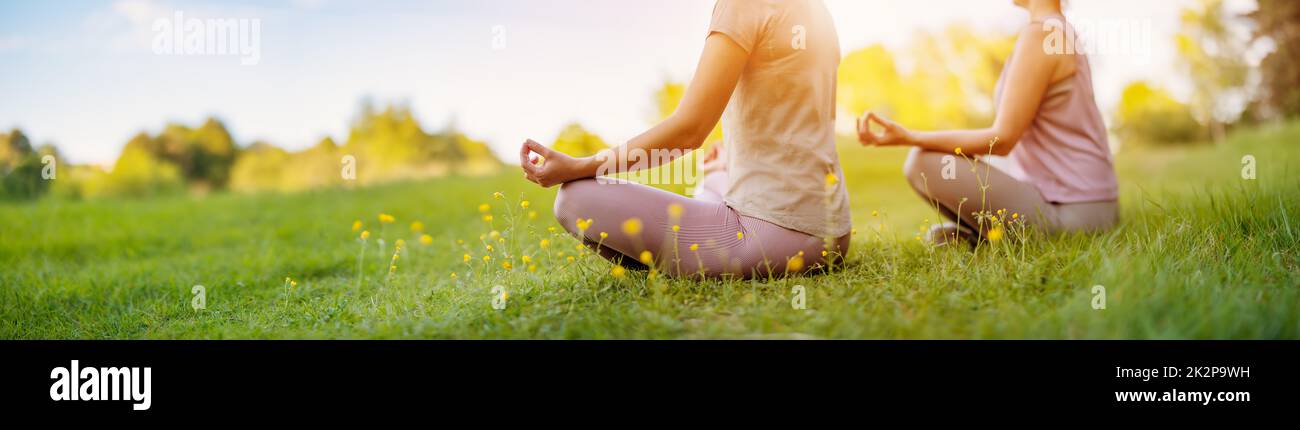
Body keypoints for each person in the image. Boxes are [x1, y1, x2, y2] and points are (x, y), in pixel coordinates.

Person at [518, 0, 852, 278]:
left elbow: (689, 131)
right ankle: (715, 186)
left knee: (576, 198)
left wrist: (582, 166)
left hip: (779, 236)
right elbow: (790, 115)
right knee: (714, 178)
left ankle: (685, 260)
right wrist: (732, 159)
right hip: (832, 230)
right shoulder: (815, 10)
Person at [857, 0, 1119, 244]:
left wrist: (910, 137)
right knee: (966, 164)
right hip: (1095, 208)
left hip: (1071, 215)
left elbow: (1002, 139)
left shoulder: (1041, 35)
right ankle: (981, 235)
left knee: (922, 162)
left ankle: (984, 235)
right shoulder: (1058, 30)